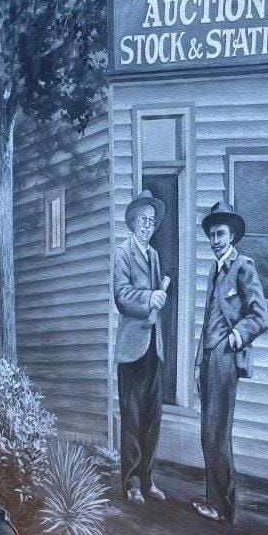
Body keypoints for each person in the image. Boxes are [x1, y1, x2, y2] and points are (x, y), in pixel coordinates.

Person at [193, 200, 268, 523]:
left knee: (218, 432)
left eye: (220, 234)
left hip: (226, 357)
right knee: (207, 432)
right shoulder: (215, 269)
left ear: (233, 235)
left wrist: (235, 339)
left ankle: (222, 506)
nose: (215, 241)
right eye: (211, 235)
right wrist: (199, 362)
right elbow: (209, 320)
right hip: (209, 358)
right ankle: (215, 500)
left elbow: (260, 315)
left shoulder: (243, 266)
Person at [113, 190, 169, 505]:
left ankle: (148, 480)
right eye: (142, 220)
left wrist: (154, 301)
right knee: (132, 418)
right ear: (133, 222)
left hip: (152, 347)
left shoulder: (155, 255)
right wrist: (149, 298)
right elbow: (121, 296)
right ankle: (131, 483)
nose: (147, 225)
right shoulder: (123, 252)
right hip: (132, 347)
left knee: (152, 418)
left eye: (151, 221)